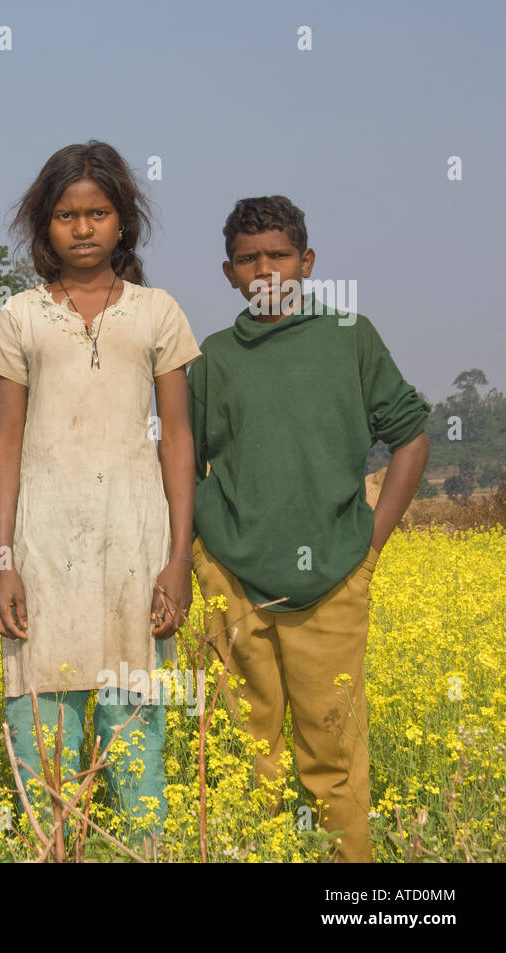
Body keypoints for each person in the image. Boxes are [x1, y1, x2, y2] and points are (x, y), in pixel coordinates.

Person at [189, 196, 430, 862]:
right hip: (233, 584)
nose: (264, 268)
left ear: (307, 261)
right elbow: (180, 460)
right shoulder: (211, 357)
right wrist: (199, 553)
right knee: (244, 755)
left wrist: (369, 548)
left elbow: (410, 439)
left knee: (334, 756)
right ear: (228, 271)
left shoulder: (350, 336)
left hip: (333, 578)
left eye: (278, 254)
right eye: (248, 258)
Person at [0, 141, 201, 838]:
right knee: (43, 730)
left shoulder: (157, 312)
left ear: (123, 221)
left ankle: (144, 851)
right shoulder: (20, 315)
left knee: (135, 725)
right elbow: (6, 441)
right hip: (42, 550)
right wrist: (5, 560)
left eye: (98, 213)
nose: (83, 228)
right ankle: (55, 849)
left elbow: (177, 437)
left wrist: (179, 558)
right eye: (66, 215)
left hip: (136, 546)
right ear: (44, 226)